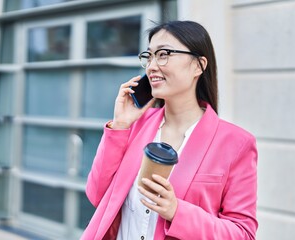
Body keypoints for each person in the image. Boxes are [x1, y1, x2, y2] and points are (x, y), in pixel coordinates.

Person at [81, 20, 258, 240]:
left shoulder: (235, 143)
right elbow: (97, 195)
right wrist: (120, 126)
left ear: (198, 65)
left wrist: (177, 211)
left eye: (163, 54)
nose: (152, 66)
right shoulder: (135, 125)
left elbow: (243, 234)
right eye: (149, 56)